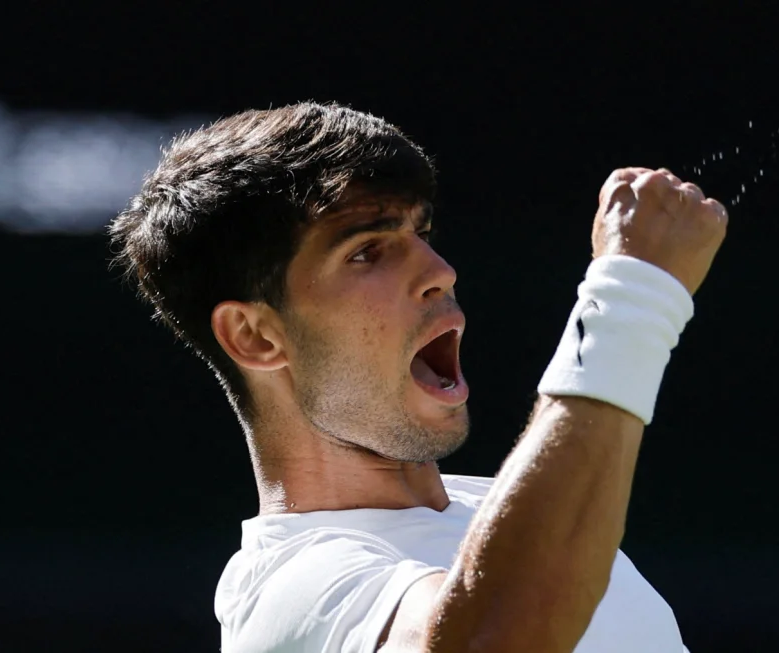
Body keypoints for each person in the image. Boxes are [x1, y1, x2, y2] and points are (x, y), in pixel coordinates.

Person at [110, 102, 727, 653]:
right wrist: (631, 300)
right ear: (256, 337)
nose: (440, 270)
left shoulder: (506, 511)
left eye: (422, 233)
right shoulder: (289, 591)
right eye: (366, 252)